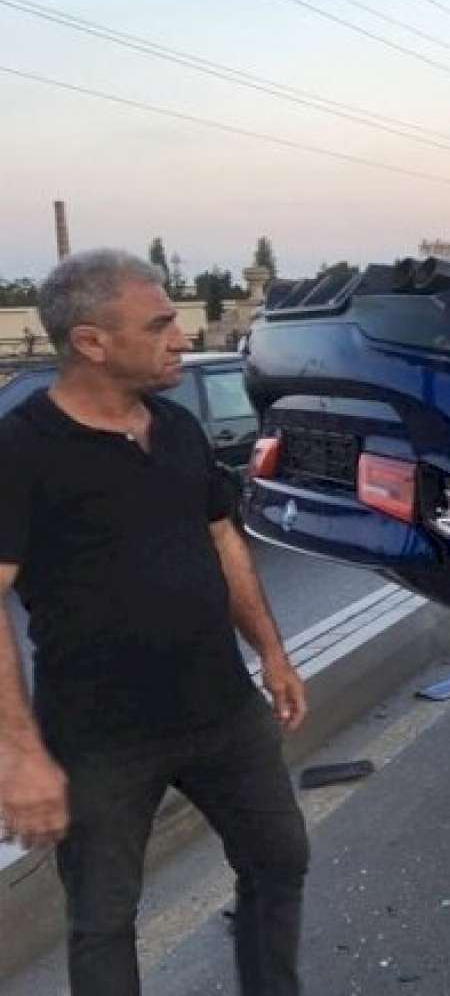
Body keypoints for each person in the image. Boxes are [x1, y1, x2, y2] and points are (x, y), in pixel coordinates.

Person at [0, 250, 310, 994]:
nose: (181, 335)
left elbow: (222, 538)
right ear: (91, 343)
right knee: (104, 918)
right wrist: (18, 754)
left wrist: (271, 652)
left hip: (222, 710)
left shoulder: (174, 426)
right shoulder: (21, 449)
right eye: (162, 322)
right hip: (99, 735)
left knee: (279, 860)